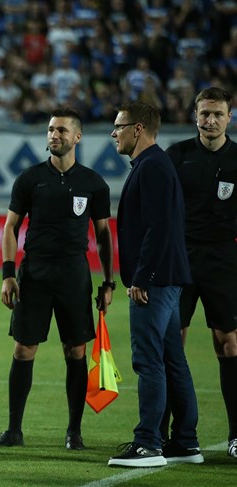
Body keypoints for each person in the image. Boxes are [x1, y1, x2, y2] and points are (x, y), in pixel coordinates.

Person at [0, 107, 114, 451]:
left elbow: (104, 236)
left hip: (74, 274)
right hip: (34, 272)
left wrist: (108, 282)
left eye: (61, 130)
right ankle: (14, 430)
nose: (53, 135)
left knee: (75, 351)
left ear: (77, 137)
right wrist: (7, 274)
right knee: (23, 348)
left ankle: (74, 431)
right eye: (50, 130)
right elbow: (10, 227)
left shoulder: (93, 182)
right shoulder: (30, 179)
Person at [108, 101, 201, 467]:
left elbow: (158, 228)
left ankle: (148, 442)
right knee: (171, 359)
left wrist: (142, 276)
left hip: (157, 280)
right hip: (168, 277)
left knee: (148, 360)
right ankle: (185, 442)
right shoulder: (154, 165)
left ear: (138, 129)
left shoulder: (152, 167)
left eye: (119, 126)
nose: (114, 133)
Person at [165, 87, 237, 460]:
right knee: (171, 343)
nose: (210, 120)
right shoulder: (177, 156)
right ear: (195, 115)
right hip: (182, 259)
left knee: (228, 342)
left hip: (225, 259)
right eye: (205, 113)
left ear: (230, 117)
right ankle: (170, 433)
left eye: (217, 114)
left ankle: (236, 435)